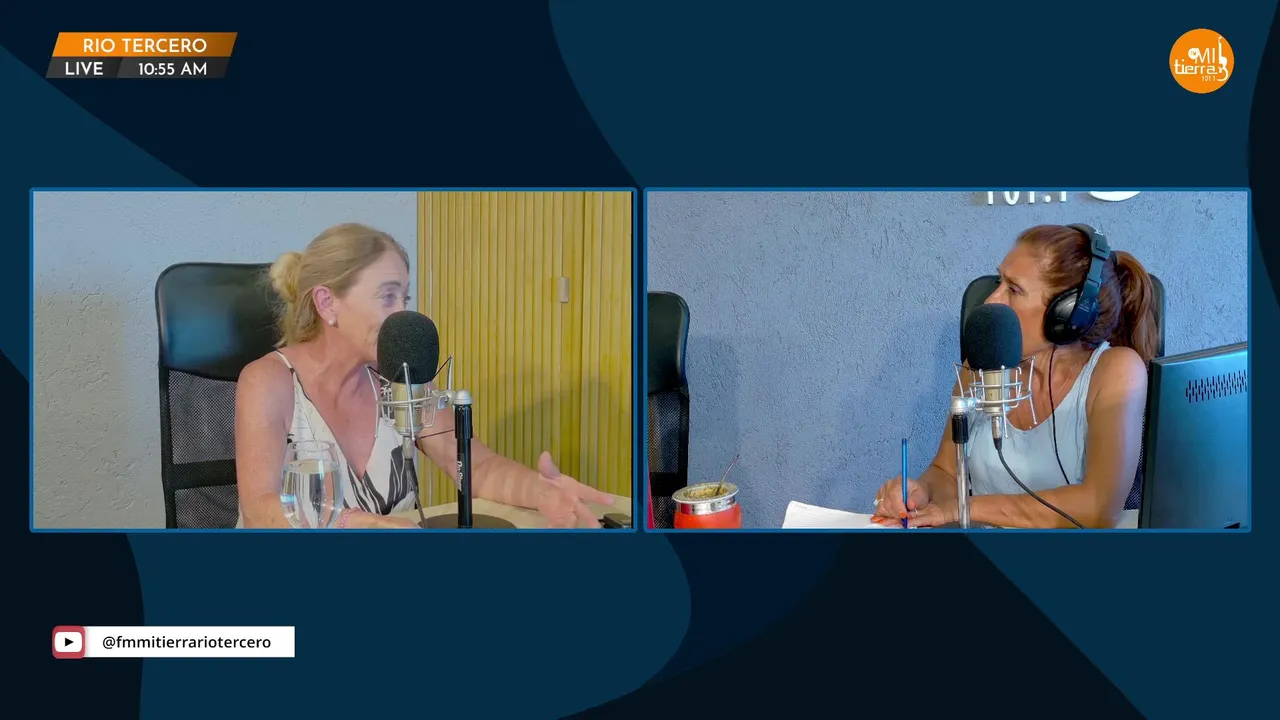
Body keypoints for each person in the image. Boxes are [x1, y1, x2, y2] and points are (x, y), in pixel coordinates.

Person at [234, 223, 615, 529]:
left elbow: (477, 469)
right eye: (387, 296)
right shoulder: (268, 382)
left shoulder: (401, 378)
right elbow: (259, 511)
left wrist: (541, 491)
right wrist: (360, 524)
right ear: (327, 302)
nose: (403, 314)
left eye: (405, 298)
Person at [871, 224, 1159, 529]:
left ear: (1067, 314)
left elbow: (1098, 508)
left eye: (1014, 289)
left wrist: (964, 508)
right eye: (1000, 282)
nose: (991, 301)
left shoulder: (1116, 371)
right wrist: (921, 492)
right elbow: (947, 473)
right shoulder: (979, 367)